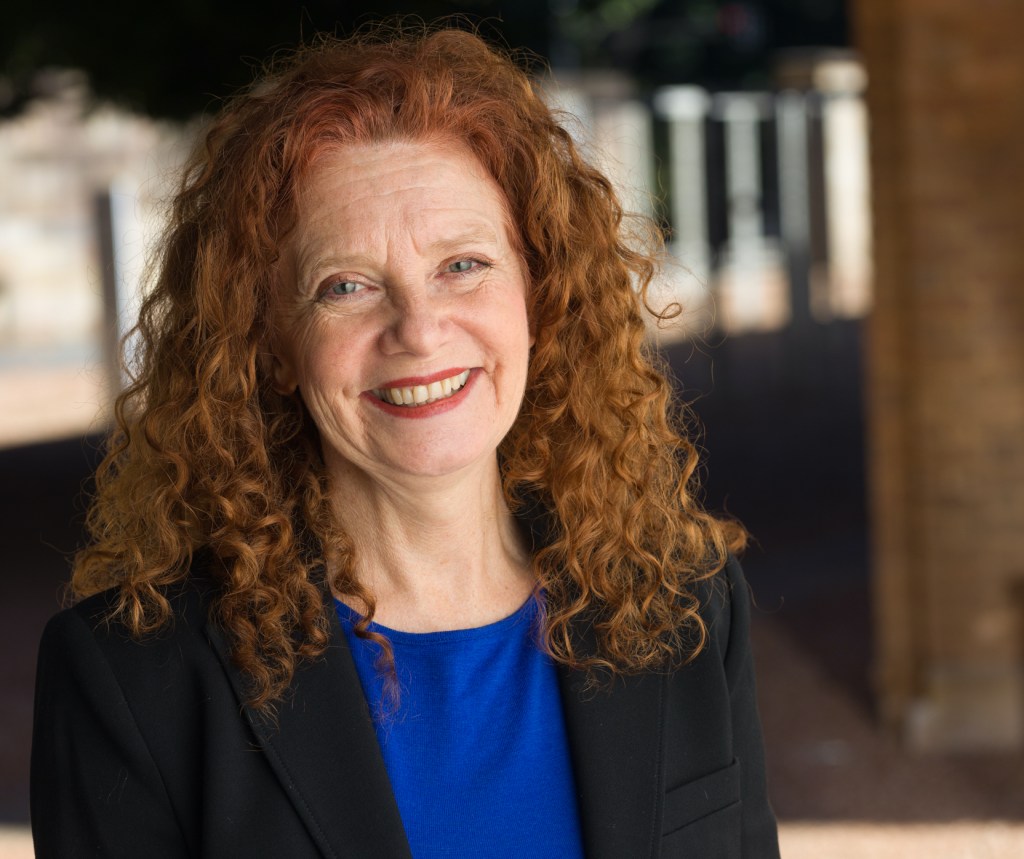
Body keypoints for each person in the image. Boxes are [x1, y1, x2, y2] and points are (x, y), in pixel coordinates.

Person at [30, 24, 780, 859]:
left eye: (463, 265)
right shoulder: (137, 679)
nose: (419, 331)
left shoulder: (684, 607)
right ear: (271, 345)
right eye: (345, 285)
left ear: (541, 295)